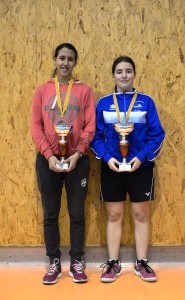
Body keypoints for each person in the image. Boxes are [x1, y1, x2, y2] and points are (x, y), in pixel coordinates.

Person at [91, 56, 165, 283]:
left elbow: (157, 135)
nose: (124, 75)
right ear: (113, 75)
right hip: (112, 166)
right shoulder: (103, 103)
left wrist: (141, 158)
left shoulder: (146, 101)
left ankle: (141, 263)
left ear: (134, 74)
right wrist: (106, 158)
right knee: (114, 214)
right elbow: (94, 136)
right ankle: (113, 264)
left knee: (141, 214)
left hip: (140, 167)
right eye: (119, 71)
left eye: (128, 71)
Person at [31, 43, 96, 285]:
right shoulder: (41, 90)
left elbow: (90, 125)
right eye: (61, 58)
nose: (65, 63)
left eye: (70, 59)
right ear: (55, 60)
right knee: (50, 214)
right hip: (47, 160)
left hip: (76, 160)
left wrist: (78, 153)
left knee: (77, 213)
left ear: (75, 62)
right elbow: (35, 125)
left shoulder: (84, 90)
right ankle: (54, 263)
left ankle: (77, 261)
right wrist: (48, 155)